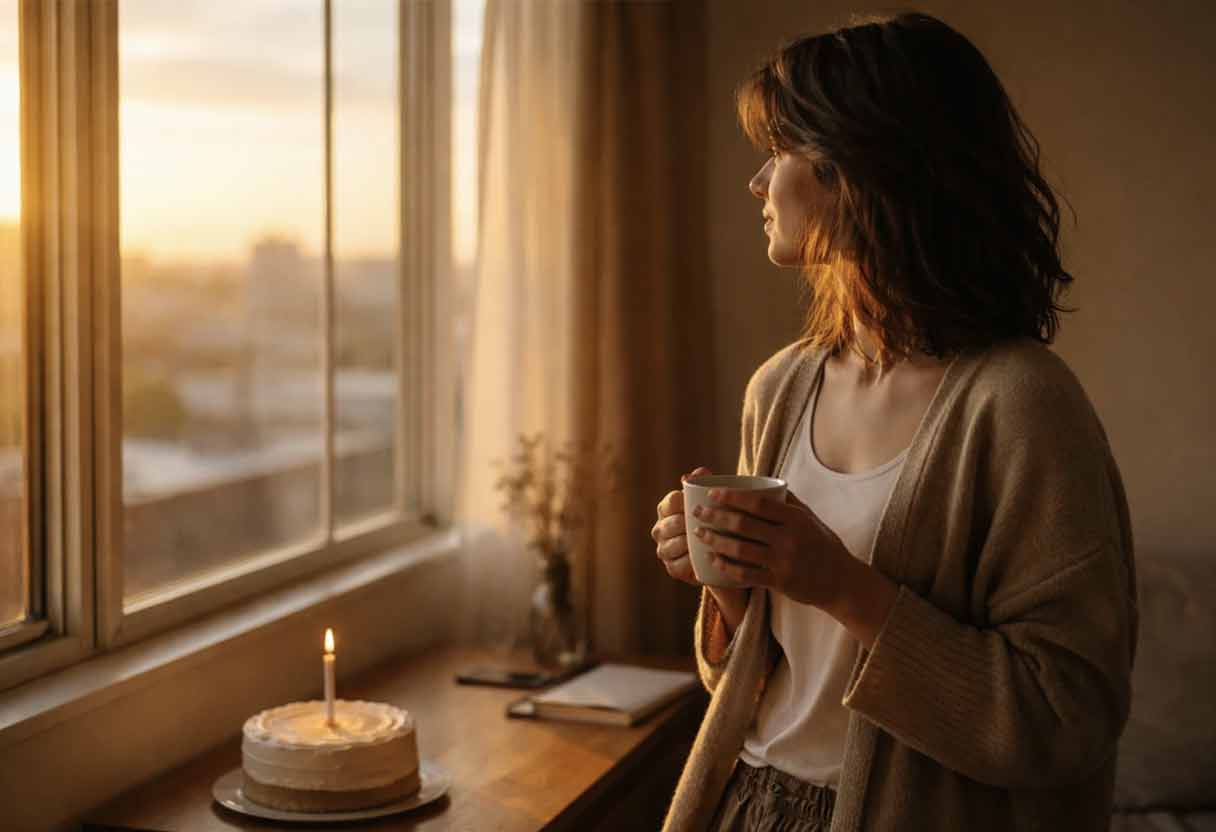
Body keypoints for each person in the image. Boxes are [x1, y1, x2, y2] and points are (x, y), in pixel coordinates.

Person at [651, 11, 1137, 832]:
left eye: (781, 150)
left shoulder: (1023, 405)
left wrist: (841, 585)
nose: (758, 182)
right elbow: (768, 681)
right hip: (747, 806)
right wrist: (731, 589)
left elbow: (1066, 717)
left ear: (858, 168)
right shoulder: (780, 388)